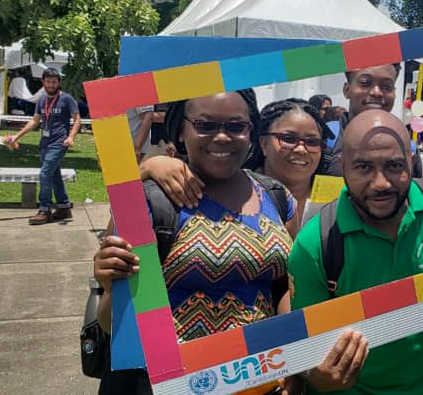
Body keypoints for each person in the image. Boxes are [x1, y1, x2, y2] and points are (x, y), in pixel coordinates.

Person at [93, 90, 299, 394]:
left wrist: (292, 361)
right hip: (171, 384)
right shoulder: (151, 201)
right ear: (180, 129)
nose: (222, 137)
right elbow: (115, 323)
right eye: (205, 125)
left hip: (260, 381)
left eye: (236, 126)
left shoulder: (276, 197)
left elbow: (284, 286)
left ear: (251, 131)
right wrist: (112, 284)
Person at [289, 110, 423, 394]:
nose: (381, 184)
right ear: (342, 166)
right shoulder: (316, 243)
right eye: (363, 167)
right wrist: (317, 376)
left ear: (412, 163)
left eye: (394, 166)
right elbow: (303, 347)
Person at [137, 98, 332, 233]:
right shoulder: (180, 185)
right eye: (288, 139)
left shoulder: (337, 199)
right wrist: (144, 170)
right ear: (263, 143)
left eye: (312, 142)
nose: (301, 149)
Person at [9, 67, 80, 225]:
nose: (51, 85)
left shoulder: (67, 99)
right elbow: (34, 121)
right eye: (48, 82)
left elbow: (77, 119)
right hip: (44, 144)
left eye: (54, 82)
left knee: (44, 174)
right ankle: (64, 207)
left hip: (59, 142)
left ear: (59, 82)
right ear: (43, 82)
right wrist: (16, 136)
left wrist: (71, 136)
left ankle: (45, 209)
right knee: (54, 175)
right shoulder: (41, 100)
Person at [327, 64, 422, 177]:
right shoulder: (324, 137)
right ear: (347, 89)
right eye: (365, 83)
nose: (376, 92)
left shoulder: (407, 147)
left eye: (387, 86)